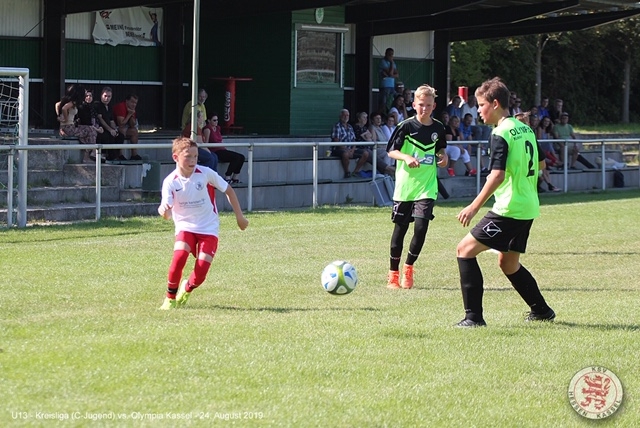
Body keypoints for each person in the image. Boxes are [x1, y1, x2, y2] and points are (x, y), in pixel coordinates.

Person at [455, 77, 555, 327]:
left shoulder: (500, 133)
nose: (479, 110)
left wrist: (473, 206)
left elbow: (497, 175)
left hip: (509, 208)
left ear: (495, 104)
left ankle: (473, 318)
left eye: (481, 105)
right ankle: (542, 311)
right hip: (528, 206)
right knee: (508, 263)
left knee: (464, 250)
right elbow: (542, 164)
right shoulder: (525, 129)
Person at [158, 137, 248, 310]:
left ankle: (187, 288)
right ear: (175, 157)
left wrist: (240, 217)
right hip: (185, 226)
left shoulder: (205, 173)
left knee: (201, 273)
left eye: (195, 156)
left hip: (208, 228)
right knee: (179, 257)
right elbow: (167, 212)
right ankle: (170, 298)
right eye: (188, 156)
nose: (193, 160)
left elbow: (229, 190)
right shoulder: (170, 181)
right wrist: (164, 211)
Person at [386, 84, 448, 290]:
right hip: (405, 187)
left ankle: (408, 268)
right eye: (421, 105)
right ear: (414, 105)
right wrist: (406, 157)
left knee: (421, 228)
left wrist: (443, 158)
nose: (424, 108)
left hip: (427, 186)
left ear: (434, 106)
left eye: (428, 105)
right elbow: (391, 151)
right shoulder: (405, 126)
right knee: (400, 230)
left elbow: (441, 150)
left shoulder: (439, 128)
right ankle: (393, 274)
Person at [516, 112, 560, 192]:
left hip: (531, 158)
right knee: (542, 171)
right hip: (525, 160)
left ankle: (547, 185)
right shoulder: (527, 132)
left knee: (543, 171)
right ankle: (549, 185)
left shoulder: (529, 132)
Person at [55, 84, 98, 163]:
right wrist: (65, 118)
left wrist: (59, 116)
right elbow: (64, 108)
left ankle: (87, 155)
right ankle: (92, 152)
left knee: (86, 134)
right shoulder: (73, 102)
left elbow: (57, 104)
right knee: (91, 130)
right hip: (69, 128)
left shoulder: (66, 101)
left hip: (66, 127)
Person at [203, 112, 245, 184]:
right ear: (209, 121)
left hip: (222, 149)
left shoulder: (218, 128)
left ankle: (235, 177)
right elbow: (206, 143)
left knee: (242, 157)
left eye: (217, 120)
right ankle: (227, 176)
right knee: (236, 157)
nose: (216, 122)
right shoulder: (207, 129)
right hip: (215, 150)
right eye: (214, 120)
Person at [330, 109, 370, 179]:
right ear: (340, 116)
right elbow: (336, 142)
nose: (346, 117)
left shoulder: (350, 127)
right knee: (345, 154)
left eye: (347, 115)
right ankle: (347, 172)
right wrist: (347, 150)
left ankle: (355, 172)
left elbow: (354, 141)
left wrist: (353, 150)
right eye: (344, 115)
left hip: (350, 149)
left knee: (365, 153)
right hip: (339, 149)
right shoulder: (337, 126)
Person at [76, 88, 105, 161]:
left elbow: (96, 120)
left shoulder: (93, 107)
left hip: (93, 127)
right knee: (92, 132)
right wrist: (96, 129)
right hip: (82, 128)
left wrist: (99, 127)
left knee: (101, 133)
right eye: (87, 96)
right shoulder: (81, 107)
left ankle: (92, 155)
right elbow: (85, 121)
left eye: (90, 96)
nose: (89, 98)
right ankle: (94, 152)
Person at [113, 94, 142, 160]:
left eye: (135, 103)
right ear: (127, 101)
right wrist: (129, 114)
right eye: (132, 102)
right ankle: (119, 154)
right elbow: (120, 124)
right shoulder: (121, 107)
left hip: (124, 127)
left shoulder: (132, 109)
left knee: (134, 131)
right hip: (114, 127)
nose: (134, 105)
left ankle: (134, 155)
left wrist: (131, 115)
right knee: (122, 130)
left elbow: (133, 125)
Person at [378, 48, 399, 113]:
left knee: (395, 99)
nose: (391, 56)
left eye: (392, 54)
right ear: (386, 54)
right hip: (385, 86)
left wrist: (390, 75)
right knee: (383, 103)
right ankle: (381, 115)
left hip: (392, 86)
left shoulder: (393, 63)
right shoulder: (383, 62)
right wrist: (391, 63)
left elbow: (397, 74)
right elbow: (390, 73)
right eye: (389, 54)